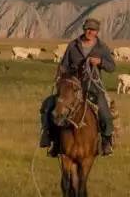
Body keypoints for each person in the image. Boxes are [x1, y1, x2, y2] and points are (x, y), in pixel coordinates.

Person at [39, 18, 117, 156]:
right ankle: (50, 138)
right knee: (49, 105)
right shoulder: (73, 45)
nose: (89, 31)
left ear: (96, 32)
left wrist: (100, 62)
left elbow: (112, 67)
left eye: (92, 30)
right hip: (71, 87)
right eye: (87, 29)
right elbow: (64, 65)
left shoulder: (102, 47)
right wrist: (60, 78)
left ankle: (106, 141)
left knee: (105, 112)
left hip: (93, 87)